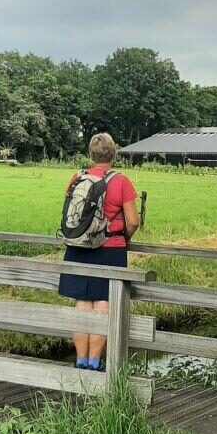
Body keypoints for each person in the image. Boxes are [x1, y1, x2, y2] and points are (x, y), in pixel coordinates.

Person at [58, 133, 140, 371]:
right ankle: (95, 362)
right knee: (103, 303)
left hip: (78, 246)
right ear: (114, 154)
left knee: (82, 302)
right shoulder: (121, 181)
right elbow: (133, 221)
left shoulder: (78, 177)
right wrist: (124, 238)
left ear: (91, 155)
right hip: (110, 249)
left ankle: (80, 360)